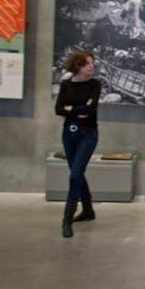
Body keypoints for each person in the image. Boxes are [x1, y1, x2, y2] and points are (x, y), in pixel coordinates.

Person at [54, 49, 101, 239]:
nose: (92, 66)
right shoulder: (66, 84)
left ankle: (67, 218)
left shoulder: (95, 85)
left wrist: (70, 109)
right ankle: (88, 210)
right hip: (69, 133)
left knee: (74, 176)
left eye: (92, 63)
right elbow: (58, 109)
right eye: (89, 63)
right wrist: (77, 110)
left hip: (88, 133)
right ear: (78, 66)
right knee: (77, 172)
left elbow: (90, 110)